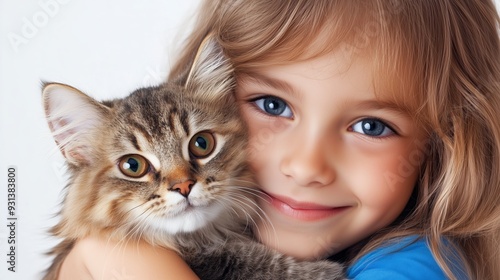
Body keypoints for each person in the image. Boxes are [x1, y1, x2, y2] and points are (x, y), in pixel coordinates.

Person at [58, 0, 500, 279]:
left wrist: (117, 259)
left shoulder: (418, 265)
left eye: (371, 126)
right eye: (272, 106)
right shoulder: (224, 220)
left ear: (447, 146)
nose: (307, 166)